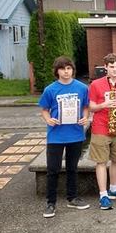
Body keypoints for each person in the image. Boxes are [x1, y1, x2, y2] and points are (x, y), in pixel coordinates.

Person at [39, 56, 90, 218]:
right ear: (57, 71)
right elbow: (44, 109)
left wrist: (85, 117)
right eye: (62, 69)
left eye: (68, 68)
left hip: (75, 134)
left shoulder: (82, 88)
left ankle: (72, 198)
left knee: (72, 168)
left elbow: (86, 107)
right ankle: (51, 203)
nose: (66, 72)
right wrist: (48, 119)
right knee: (52, 170)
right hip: (56, 136)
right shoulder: (50, 90)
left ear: (72, 70)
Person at [87, 53, 116, 210]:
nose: (114, 70)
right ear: (105, 67)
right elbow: (91, 106)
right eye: (111, 67)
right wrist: (104, 105)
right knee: (101, 161)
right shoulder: (95, 84)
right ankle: (103, 194)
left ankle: (114, 188)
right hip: (101, 127)